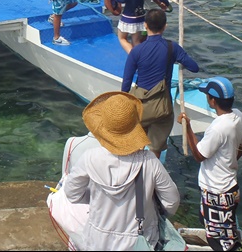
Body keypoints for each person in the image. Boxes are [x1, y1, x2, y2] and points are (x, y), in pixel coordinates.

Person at [62, 91, 180, 251]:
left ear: (104, 127)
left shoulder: (90, 158)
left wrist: (95, 198)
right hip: (139, 241)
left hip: (98, 241)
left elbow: (72, 193)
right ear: (135, 125)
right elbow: (171, 201)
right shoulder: (149, 162)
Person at [178, 77, 242, 252]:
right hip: (230, 187)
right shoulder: (238, 116)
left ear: (213, 101)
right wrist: (228, 162)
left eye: (208, 96)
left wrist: (187, 128)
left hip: (217, 192)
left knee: (219, 241)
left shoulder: (218, 128)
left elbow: (199, 155)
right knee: (223, 230)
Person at [122, 8, 200, 157]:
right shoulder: (172, 48)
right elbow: (194, 68)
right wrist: (178, 56)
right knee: (155, 149)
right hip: (161, 108)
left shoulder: (136, 51)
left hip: (140, 106)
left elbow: (126, 83)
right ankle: (152, 171)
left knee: (135, 145)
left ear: (145, 25)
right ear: (165, 26)